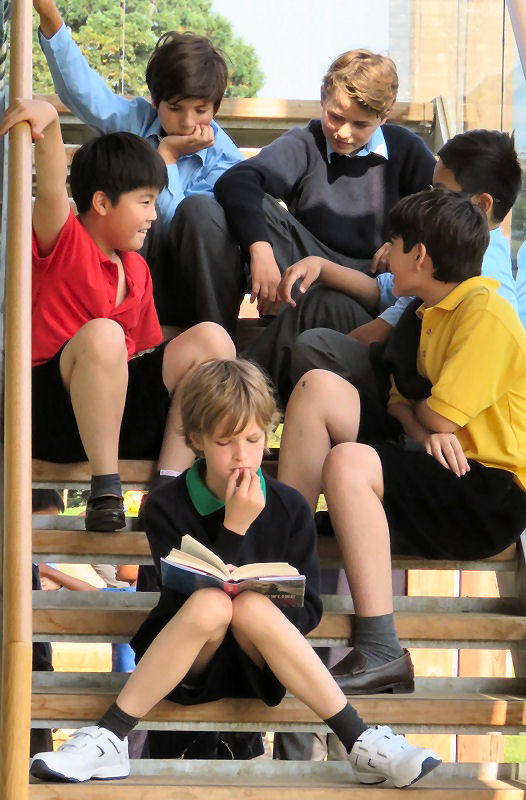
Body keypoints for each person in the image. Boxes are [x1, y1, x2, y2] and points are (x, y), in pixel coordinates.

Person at [30, 359, 441, 787]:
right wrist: (234, 528)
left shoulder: (290, 507)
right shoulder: (166, 506)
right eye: (226, 442)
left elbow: (311, 611)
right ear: (196, 440)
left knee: (249, 608)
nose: (243, 455)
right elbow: (177, 601)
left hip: (260, 662)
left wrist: (265, 598)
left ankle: (361, 742)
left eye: (253, 438)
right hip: (189, 660)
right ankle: (110, 738)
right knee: (211, 602)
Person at [278, 188, 526, 694]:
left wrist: (423, 422)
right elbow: (401, 402)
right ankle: (285, 564)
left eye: (393, 243)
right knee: (316, 388)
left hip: (485, 492)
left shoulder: (485, 313)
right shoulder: (424, 310)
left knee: (348, 463)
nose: (384, 254)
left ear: (421, 256)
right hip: (434, 461)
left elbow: (437, 413)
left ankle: (381, 648)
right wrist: (420, 426)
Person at [0, 97, 234, 532]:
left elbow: (143, 355)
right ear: (103, 203)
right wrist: (50, 124)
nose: (152, 216)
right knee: (105, 335)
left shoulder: (138, 269)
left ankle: (167, 490)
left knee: (213, 341)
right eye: (144, 202)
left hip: (115, 409)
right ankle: (105, 490)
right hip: (50, 413)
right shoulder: (63, 241)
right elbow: (52, 188)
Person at [161, 48, 436, 337]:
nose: (343, 132)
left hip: (374, 280)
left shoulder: (406, 148)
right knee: (203, 208)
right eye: (336, 117)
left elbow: (448, 210)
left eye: (359, 124)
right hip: (307, 266)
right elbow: (238, 181)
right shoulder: (307, 142)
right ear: (322, 97)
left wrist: (406, 239)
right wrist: (261, 249)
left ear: (384, 117)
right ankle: (217, 341)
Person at [248, 128, 524, 405]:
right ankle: (243, 390)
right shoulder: (457, 247)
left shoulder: (475, 275)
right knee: (324, 302)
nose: (429, 198)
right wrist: (321, 265)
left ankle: (243, 398)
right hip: (404, 366)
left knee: (316, 346)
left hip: (419, 397)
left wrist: (335, 343)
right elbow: (383, 291)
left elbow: (381, 332)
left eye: (440, 192)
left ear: (481, 204)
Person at [33, 0, 242, 325]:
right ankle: (123, 337)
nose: (187, 122)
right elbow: (87, 94)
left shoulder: (225, 159)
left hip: (200, 295)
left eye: (201, 110)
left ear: (215, 105)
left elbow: (184, 226)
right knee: (129, 210)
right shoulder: (136, 122)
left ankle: (220, 354)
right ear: (155, 101)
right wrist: (50, 17)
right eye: (175, 108)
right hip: (138, 282)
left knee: (200, 210)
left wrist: (167, 158)